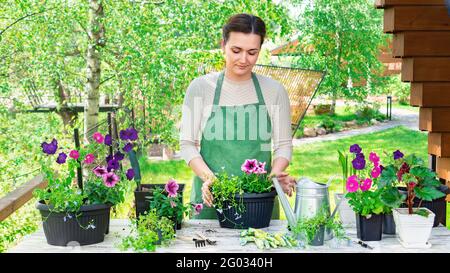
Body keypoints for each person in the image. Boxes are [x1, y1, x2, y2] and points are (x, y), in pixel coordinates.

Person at [179, 13, 296, 219]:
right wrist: (209, 179)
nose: (243, 60)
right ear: (222, 45)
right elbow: (187, 144)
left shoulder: (274, 90)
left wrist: (275, 174)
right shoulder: (201, 88)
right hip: (211, 200)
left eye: (252, 52)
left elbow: (284, 145)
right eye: (236, 50)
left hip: (258, 200)